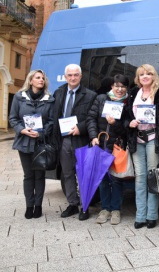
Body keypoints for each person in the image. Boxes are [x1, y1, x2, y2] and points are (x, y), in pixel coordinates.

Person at [126, 64, 159, 229]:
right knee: (140, 178)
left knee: (153, 177)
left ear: (153, 76)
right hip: (137, 140)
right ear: (138, 78)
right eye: (141, 74)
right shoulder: (132, 93)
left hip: (153, 138)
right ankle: (140, 216)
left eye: (148, 73)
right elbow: (125, 117)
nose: (145, 76)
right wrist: (129, 123)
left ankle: (152, 215)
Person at [52, 64, 97, 220]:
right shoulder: (58, 93)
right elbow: (53, 116)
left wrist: (81, 128)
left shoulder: (90, 95)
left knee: (83, 174)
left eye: (75, 75)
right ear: (65, 77)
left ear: (81, 76)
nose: (72, 78)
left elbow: (92, 117)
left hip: (81, 139)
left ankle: (85, 207)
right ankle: (72, 203)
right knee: (67, 174)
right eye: (70, 75)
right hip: (64, 140)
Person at [9, 69, 55, 219]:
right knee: (28, 175)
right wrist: (22, 130)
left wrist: (41, 133)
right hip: (24, 142)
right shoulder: (19, 97)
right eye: (38, 77)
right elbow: (13, 118)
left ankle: (38, 206)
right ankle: (29, 206)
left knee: (39, 175)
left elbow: (51, 121)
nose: (41, 80)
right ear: (31, 80)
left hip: (41, 142)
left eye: (43, 78)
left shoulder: (50, 99)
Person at [87, 74, 130, 225]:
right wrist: (93, 136)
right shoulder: (101, 99)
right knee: (103, 179)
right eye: (117, 86)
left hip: (118, 145)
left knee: (117, 179)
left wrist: (115, 124)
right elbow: (91, 118)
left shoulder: (128, 102)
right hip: (101, 144)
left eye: (123, 86)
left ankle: (116, 209)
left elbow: (126, 127)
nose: (119, 89)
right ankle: (105, 208)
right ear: (112, 86)